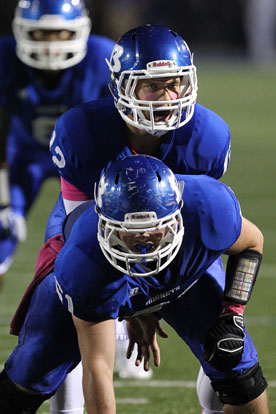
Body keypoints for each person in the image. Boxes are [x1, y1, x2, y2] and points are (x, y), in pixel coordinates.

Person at [46, 23, 231, 411]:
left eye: (175, 83)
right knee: (57, 330)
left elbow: (203, 221)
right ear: (122, 88)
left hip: (176, 233)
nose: (167, 97)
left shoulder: (208, 137)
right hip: (92, 228)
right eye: (152, 85)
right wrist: (132, 306)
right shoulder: (82, 133)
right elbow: (85, 239)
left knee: (225, 348)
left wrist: (152, 301)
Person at [0, 155, 269, 414]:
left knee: (238, 369)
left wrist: (233, 313)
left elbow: (252, 243)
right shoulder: (83, 261)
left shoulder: (209, 207)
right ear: (103, 224)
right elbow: (99, 369)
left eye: (153, 227)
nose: (142, 239)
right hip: (105, 273)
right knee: (27, 378)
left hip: (182, 275)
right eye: (126, 230)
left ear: (177, 217)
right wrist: (136, 309)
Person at [0, 0, 114, 289]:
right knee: (1, 230)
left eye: (60, 33)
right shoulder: (5, 59)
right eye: (42, 34)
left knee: (105, 234)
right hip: (25, 156)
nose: (51, 44)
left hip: (85, 161)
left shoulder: (104, 59)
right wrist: (3, 198)